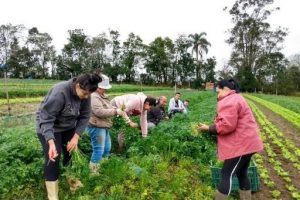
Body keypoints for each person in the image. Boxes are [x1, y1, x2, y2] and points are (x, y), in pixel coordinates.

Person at [36, 73, 102, 200]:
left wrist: (76, 137)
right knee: (53, 158)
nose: (86, 97)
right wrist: (50, 142)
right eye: (85, 94)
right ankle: (53, 195)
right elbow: (46, 118)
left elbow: (85, 116)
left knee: (71, 153)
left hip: (68, 126)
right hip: (49, 126)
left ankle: (73, 183)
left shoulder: (86, 92)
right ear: (77, 86)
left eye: (89, 94)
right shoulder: (60, 93)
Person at [197, 79, 263, 200]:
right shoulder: (237, 98)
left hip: (241, 145)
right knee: (241, 172)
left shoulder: (229, 100)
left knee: (226, 174)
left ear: (225, 89)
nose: (217, 95)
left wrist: (209, 128)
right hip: (248, 143)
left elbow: (227, 125)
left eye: (218, 91)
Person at [86, 74, 125, 174]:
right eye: (104, 88)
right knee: (99, 149)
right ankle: (94, 172)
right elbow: (99, 111)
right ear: (98, 87)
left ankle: (103, 167)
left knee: (107, 148)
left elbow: (108, 107)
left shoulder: (102, 96)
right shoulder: (94, 96)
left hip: (103, 126)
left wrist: (116, 109)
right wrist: (115, 112)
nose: (105, 90)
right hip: (96, 127)